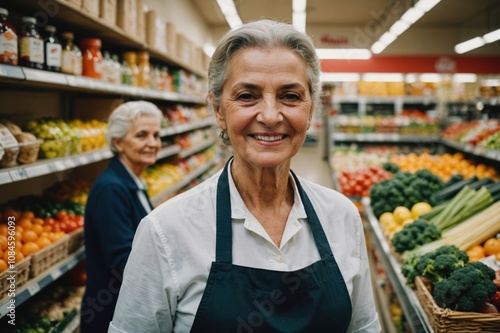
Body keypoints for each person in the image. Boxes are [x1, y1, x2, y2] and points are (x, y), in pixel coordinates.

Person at [109, 19, 381, 333]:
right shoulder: (166, 232)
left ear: (310, 111)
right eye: (247, 96)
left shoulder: (343, 217)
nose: (269, 116)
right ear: (218, 111)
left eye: (290, 96)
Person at [80, 101, 163, 332]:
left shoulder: (132, 180)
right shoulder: (111, 189)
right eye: (141, 135)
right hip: (110, 313)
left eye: (156, 135)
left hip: (126, 306)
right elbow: (123, 263)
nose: (152, 143)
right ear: (118, 142)